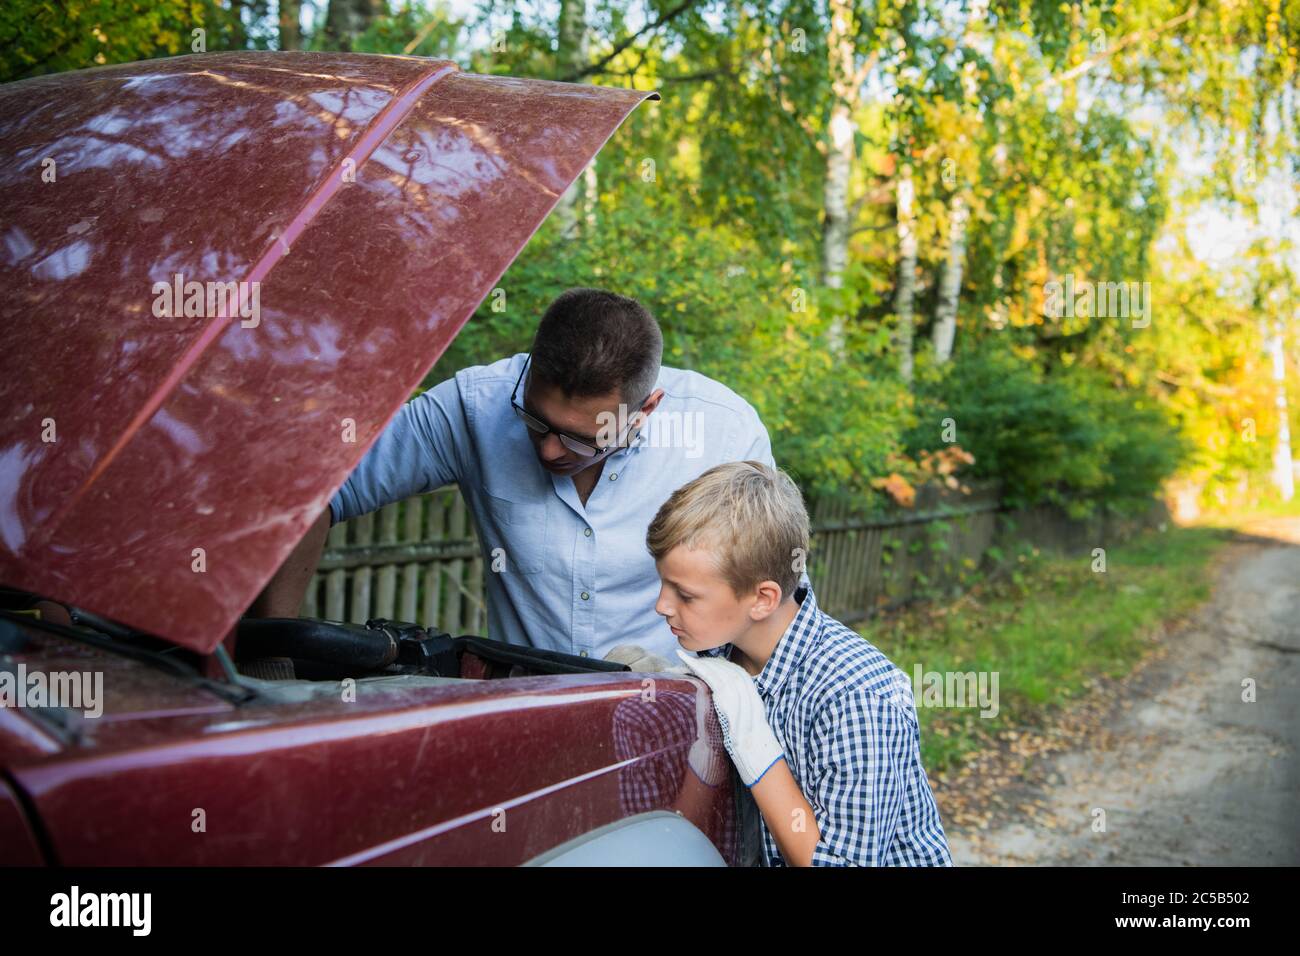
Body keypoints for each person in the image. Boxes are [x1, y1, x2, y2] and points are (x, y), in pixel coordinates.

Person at [251, 287, 775, 661]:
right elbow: (310, 490)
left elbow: (768, 604)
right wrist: (275, 656)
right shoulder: (475, 405)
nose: (549, 452)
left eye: (581, 439)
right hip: (524, 716)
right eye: (534, 420)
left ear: (647, 408)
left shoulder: (724, 434)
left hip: (675, 722)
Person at [647, 461, 953, 866]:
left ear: (763, 599)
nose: (661, 606)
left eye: (685, 596)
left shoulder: (856, 695)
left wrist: (755, 744)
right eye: (662, 583)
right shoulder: (719, 655)